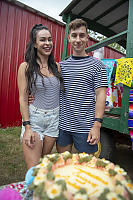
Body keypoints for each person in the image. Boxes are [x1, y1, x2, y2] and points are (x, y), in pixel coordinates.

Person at [56, 19, 108, 154]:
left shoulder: (98, 66)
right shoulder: (61, 66)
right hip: (63, 126)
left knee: (86, 168)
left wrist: (97, 125)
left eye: (81, 35)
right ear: (69, 38)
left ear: (87, 38)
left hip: (86, 128)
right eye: (74, 35)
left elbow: (101, 96)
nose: (78, 40)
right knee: (64, 165)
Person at [17, 24, 64, 169]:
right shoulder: (25, 67)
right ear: (35, 44)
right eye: (42, 40)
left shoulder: (56, 66)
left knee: (44, 166)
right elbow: (23, 98)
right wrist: (28, 127)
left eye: (50, 39)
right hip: (35, 119)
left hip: (53, 120)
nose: (48, 43)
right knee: (34, 169)